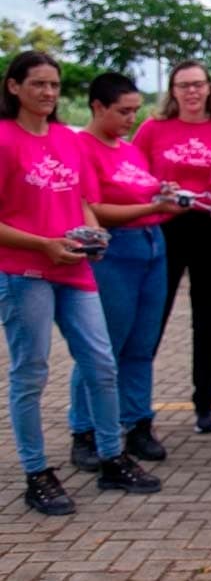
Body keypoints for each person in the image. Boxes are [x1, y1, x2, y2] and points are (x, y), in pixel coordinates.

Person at [0, 52, 160, 516]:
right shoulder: (5, 139)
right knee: (30, 373)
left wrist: (95, 233)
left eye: (54, 85)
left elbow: (83, 201)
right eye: (38, 85)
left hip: (75, 268)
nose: (48, 93)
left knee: (101, 363)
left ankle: (112, 457)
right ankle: (36, 472)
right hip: (23, 272)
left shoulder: (66, 140)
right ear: (14, 87)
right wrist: (43, 244)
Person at [72, 72, 185, 469]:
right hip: (115, 251)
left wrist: (161, 195)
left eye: (136, 111)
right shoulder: (81, 148)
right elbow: (95, 208)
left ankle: (136, 422)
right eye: (123, 111)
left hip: (152, 246)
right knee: (104, 345)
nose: (131, 119)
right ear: (98, 107)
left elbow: (140, 189)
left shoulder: (128, 149)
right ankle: (84, 429)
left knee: (141, 344)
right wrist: (153, 207)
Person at [133, 60, 211, 434]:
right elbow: (134, 175)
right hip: (167, 229)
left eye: (198, 84)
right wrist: (159, 193)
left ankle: (204, 404)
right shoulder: (153, 129)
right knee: (153, 319)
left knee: (207, 321)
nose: (191, 92)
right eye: (183, 85)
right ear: (172, 91)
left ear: (209, 88)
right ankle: (136, 407)